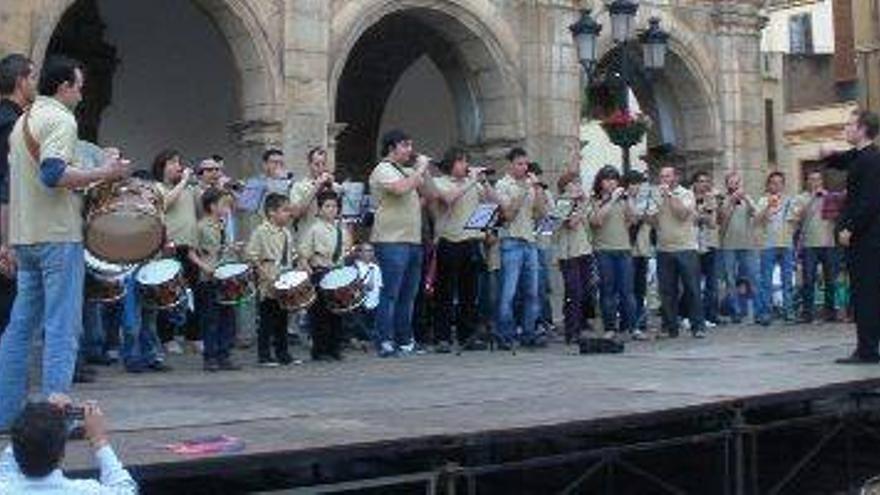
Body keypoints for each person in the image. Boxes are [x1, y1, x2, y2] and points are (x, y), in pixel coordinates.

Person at [0, 56, 130, 428]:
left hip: (26, 237)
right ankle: (56, 416)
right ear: (64, 88)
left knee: (21, 327)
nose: (82, 91)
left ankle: (6, 413)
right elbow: (53, 173)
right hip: (57, 235)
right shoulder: (60, 118)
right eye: (79, 85)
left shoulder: (23, 120)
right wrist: (106, 171)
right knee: (62, 327)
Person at [823, 110, 880, 364]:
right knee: (864, 292)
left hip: (868, 239)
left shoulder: (871, 160)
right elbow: (840, 159)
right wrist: (827, 154)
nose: (845, 129)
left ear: (863, 129)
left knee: (866, 293)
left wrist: (850, 228)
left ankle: (867, 350)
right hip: (864, 237)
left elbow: (869, 201)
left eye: (849, 125)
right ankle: (867, 347)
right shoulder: (860, 156)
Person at [369, 129, 431, 357]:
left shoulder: (408, 171)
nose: (410, 150)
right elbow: (400, 188)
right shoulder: (382, 169)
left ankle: (405, 340)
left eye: (411, 145)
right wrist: (420, 169)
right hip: (391, 240)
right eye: (405, 145)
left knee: (409, 294)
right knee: (391, 293)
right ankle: (385, 340)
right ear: (391, 148)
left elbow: (430, 194)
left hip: (413, 240)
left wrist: (425, 172)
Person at [0, 394, 136, 493]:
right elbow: (127, 489)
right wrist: (99, 439)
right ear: (62, 455)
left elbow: (8, 461)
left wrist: (40, 416)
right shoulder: (85, 491)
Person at [431, 147, 493, 352]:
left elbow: (492, 203)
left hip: (471, 241)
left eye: (466, 161)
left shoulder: (473, 184)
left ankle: (468, 335)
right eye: (461, 161)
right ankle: (443, 337)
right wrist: (472, 181)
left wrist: (484, 183)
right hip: (449, 241)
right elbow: (449, 198)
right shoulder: (439, 182)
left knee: (470, 293)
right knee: (445, 292)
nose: (465, 165)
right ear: (451, 163)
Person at [494, 147, 548, 348]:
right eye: (519, 164)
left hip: (530, 241)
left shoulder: (530, 185)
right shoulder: (502, 185)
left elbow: (542, 213)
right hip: (511, 241)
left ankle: (528, 332)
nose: (524, 168)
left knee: (532, 292)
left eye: (526, 164)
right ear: (510, 165)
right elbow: (507, 214)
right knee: (508, 292)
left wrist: (538, 189)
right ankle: (505, 334)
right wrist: (524, 190)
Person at [152, 149, 201, 354]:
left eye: (179, 162)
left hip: (190, 247)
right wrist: (184, 182)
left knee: (193, 293)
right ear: (162, 166)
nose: (178, 166)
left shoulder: (189, 190)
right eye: (173, 162)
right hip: (169, 247)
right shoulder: (157, 188)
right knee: (169, 295)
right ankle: (167, 337)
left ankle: (193, 336)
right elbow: (164, 204)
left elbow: (202, 209)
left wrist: (209, 187)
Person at [0, 54, 35, 336]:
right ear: (21, 81)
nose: (36, 83)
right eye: (33, 77)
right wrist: (6, 242)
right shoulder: (13, 125)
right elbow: (7, 185)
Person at [189, 188, 241, 372]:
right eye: (223, 204)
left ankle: (224, 354)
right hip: (209, 278)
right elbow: (192, 253)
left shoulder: (222, 224)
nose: (227, 208)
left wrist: (232, 248)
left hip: (225, 276)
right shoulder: (201, 226)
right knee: (211, 318)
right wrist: (205, 267)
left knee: (228, 317)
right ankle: (210, 357)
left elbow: (222, 247)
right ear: (212, 206)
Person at [652, 165, 706, 338]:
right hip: (663, 248)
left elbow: (682, 214)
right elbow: (652, 221)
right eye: (661, 176)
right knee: (667, 291)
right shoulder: (656, 195)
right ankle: (670, 327)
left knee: (692, 289)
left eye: (667, 176)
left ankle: (697, 326)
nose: (664, 179)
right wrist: (647, 210)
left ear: (675, 177)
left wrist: (668, 196)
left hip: (686, 248)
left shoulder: (686, 194)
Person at [298, 191, 353, 360]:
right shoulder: (314, 229)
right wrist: (308, 273)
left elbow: (346, 250)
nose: (331, 209)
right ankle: (319, 350)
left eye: (335, 206)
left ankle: (334, 348)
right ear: (320, 209)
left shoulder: (341, 230)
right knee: (319, 314)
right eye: (327, 206)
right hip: (320, 272)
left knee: (337, 312)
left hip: (336, 273)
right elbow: (303, 254)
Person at [247, 192, 297, 366]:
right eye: (284, 210)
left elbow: (291, 256)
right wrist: (264, 275)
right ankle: (264, 355)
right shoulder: (261, 231)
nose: (288, 214)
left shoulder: (287, 233)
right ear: (271, 212)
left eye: (289, 211)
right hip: (268, 280)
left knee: (282, 318)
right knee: (267, 319)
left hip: (284, 279)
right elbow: (252, 256)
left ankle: (283, 353)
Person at [589, 165, 637, 339]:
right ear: (600, 182)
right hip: (604, 251)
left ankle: (630, 327)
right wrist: (611, 200)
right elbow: (597, 221)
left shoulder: (622, 200)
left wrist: (629, 199)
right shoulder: (594, 200)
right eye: (607, 179)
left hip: (624, 250)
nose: (611, 183)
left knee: (627, 292)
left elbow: (633, 219)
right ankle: (610, 327)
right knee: (607, 291)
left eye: (614, 179)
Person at [554, 171, 596, 344]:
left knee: (585, 290)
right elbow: (571, 224)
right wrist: (581, 205)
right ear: (566, 186)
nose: (579, 186)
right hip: (569, 253)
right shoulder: (563, 202)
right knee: (574, 291)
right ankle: (572, 329)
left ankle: (580, 324)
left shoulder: (581, 202)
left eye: (579, 182)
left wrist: (583, 203)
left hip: (584, 250)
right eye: (575, 183)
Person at [796, 170, 841, 324]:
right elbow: (798, 217)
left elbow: (838, 217)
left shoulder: (830, 196)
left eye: (818, 179)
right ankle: (808, 313)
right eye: (812, 179)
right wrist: (813, 199)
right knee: (808, 280)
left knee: (831, 280)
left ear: (822, 181)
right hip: (809, 244)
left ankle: (830, 313)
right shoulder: (801, 198)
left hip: (829, 243)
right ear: (807, 181)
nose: (815, 182)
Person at [718, 171, 762, 324]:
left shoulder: (747, 198)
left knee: (754, 278)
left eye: (737, 182)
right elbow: (721, 218)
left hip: (748, 244)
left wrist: (746, 200)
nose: (734, 185)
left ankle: (759, 312)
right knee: (730, 280)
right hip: (728, 245)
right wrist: (731, 201)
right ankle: (736, 312)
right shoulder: (723, 199)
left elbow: (756, 214)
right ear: (727, 184)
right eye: (731, 182)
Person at [755, 171, 799, 323]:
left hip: (786, 244)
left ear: (783, 184)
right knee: (766, 280)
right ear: (769, 184)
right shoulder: (762, 200)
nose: (776, 185)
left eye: (779, 182)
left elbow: (795, 220)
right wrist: (769, 206)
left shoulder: (790, 200)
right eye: (773, 182)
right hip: (768, 244)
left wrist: (793, 218)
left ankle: (789, 311)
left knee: (787, 280)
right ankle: (766, 312)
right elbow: (758, 220)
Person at [625, 169, 654, 337]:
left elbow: (652, 220)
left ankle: (639, 322)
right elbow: (631, 220)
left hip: (642, 250)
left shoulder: (647, 201)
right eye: (634, 184)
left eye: (639, 184)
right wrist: (629, 200)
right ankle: (629, 323)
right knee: (627, 289)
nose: (637, 188)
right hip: (627, 250)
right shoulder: (623, 201)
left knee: (640, 289)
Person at [692, 171, 722, 328]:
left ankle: (711, 315)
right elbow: (690, 219)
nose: (704, 184)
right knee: (693, 283)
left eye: (706, 181)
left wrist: (704, 213)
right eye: (701, 181)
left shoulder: (712, 200)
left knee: (711, 283)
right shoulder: (688, 198)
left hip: (709, 244)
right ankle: (694, 315)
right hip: (693, 246)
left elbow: (712, 223)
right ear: (695, 183)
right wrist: (701, 215)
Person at [289, 146, 336, 237]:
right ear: (309, 164)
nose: (321, 168)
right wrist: (316, 187)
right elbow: (296, 213)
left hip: (328, 237)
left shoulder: (333, 186)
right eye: (317, 164)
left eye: (324, 164)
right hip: (307, 236)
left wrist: (332, 187)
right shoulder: (299, 186)